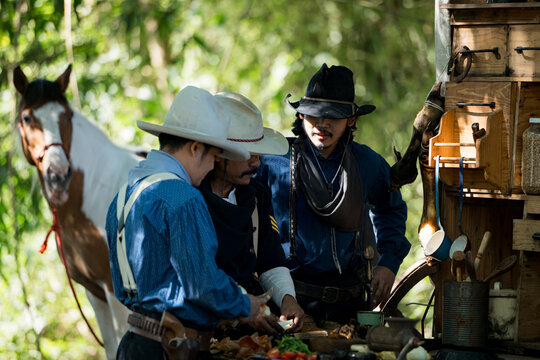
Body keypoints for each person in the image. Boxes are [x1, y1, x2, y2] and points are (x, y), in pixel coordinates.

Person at [105, 86, 268, 360]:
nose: (211, 167)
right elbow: (203, 286)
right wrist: (246, 305)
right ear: (195, 148)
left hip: (134, 343)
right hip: (173, 348)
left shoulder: (125, 193)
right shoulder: (184, 198)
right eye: (215, 156)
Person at [256, 64, 411, 324]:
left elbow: (390, 208)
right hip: (290, 301)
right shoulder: (273, 162)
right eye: (313, 115)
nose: (322, 124)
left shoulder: (367, 163)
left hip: (349, 304)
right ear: (302, 116)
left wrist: (388, 262)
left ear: (351, 120)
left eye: (333, 116)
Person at [198, 92, 305, 336]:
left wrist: (287, 299)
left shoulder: (256, 195)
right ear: (221, 152)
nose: (257, 163)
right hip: (203, 332)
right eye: (249, 154)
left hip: (251, 330)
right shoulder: (190, 199)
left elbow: (270, 260)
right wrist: (242, 306)